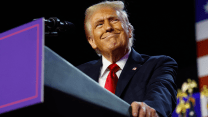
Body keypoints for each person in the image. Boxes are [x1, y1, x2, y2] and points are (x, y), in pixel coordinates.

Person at [77, 1, 178, 117]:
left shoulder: (158, 65)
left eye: (114, 20)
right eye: (99, 24)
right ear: (92, 41)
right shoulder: (80, 74)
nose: (108, 27)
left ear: (129, 30)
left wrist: (149, 108)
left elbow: (162, 93)